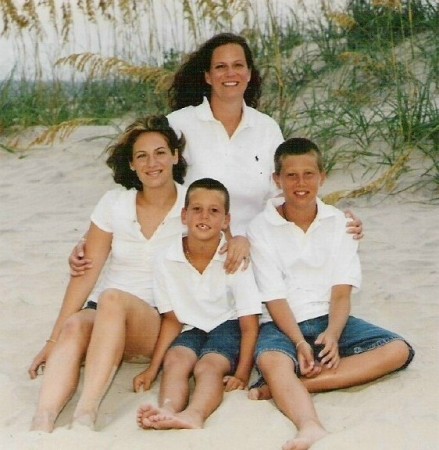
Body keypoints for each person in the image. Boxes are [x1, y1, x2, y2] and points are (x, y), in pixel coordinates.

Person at [68, 33, 363, 276]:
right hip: (194, 244)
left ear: (249, 73)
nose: (230, 73)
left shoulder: (266, 128)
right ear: (208, 76)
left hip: (255, 245)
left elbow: (288, 187)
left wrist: (335, 219)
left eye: (238, 65)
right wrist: (91, 239)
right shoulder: (180, 124)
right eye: (221, 67)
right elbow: (146, 182)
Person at [246, 138, 415, 450]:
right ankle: (309, 425)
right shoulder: (261, 227)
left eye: (309, 174)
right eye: (291, 176)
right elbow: (274, 297)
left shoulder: (340, 223)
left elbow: (340, 293)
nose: (300, 183)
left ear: (322, 177)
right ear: (277, 180)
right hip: (282, 324)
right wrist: (298, 341)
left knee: (398, 350)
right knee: (271, 360)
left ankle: (292, 386)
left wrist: (334, 335)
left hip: (330, 318)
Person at [28, 115, 188, 432]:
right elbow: (87, 272)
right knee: (74, 325)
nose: (151, 163)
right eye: (141, 156)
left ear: (175, 156)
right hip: (106, 318)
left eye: (159, 152)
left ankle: (85, 414)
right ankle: (42, 420)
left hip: (156, 321)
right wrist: (52, 338)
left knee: (112, 299)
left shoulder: (191, 202)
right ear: (131, 164)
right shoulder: (115, 202)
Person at [135, 178, 261, 430]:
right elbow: (171, 320)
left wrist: (242, 374)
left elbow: (249, 323)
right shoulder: (166, 259)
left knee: (208, 366)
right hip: (190, 327)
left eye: (214, 211)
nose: (204, 216)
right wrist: (152, 368)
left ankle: (194, 413)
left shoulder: (234, 258)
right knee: (176, 360)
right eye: (196, 209)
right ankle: (168, 408)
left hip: (228, 325)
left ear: (226, 220)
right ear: (184, 215)